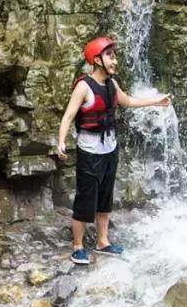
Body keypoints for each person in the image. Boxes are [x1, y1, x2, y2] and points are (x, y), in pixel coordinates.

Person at [56, 36, 171, 265]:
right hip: (89, 150)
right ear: (96, 59)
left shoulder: (112, 84)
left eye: (114, 56)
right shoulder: (84, 86)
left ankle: (102, 241)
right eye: (109, 56)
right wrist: (60, 141)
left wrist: (156, 102)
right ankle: (78, 246)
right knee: (85, 198)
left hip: (110, 148)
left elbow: (127, 101)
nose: (114, 60)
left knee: (106, 197)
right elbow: (68, 115)